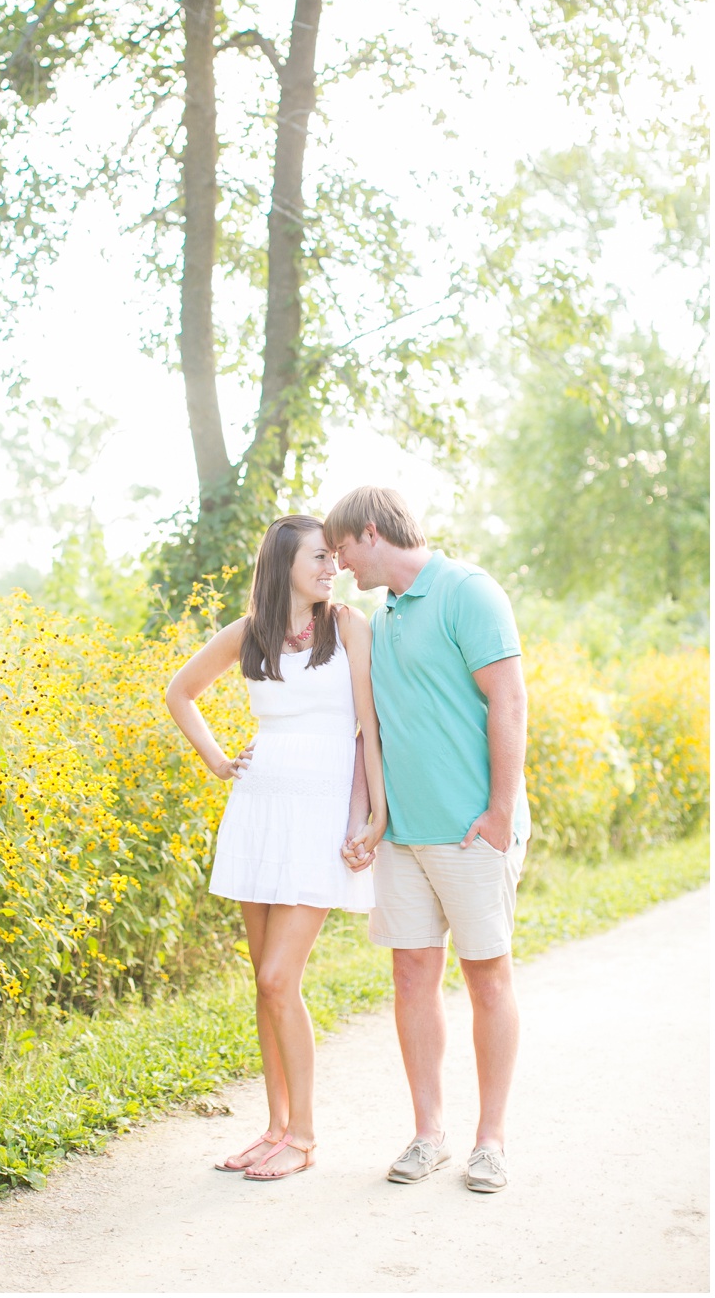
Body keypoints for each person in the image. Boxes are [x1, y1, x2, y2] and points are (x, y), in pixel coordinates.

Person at [165, 513, 386, 1181]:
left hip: (320, 817)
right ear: (284, 560)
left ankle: (307, 1134)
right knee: (263, 988)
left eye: (333, 558)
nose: (332, 567)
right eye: (320, 557)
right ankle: (275, 1126)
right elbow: (180, 691)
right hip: (259, 810)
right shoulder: (251, 632)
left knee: (277, 977)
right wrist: (217, 761)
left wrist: (374, 813)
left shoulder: (346, 625)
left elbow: (367, 729)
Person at [324, 485, 526, 1194]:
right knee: (412, 973)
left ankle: (491, 1141)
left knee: (485, 975)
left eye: (342, 548)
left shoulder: (467, 590)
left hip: (472, 830)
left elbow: (509, 698)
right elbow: (370, 729)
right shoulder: (381, 617)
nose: (340, 563)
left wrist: (500, 812)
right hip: (402, 837)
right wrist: (369, 818)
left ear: (370, 532)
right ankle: (429, 1132)